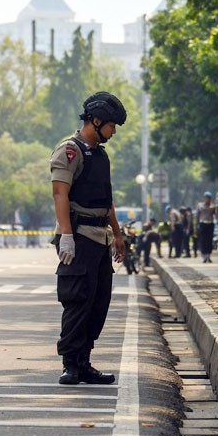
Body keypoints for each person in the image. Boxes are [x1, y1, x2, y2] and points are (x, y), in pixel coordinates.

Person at [50, 91, 127, 385]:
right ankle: (70, 363)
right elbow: (60, 193)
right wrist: (66, 235)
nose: (113, 132)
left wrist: (117, 235)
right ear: (96, 121)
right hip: (78, 236)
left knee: (98, 303)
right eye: (111, 126)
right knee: (78, 300)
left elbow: (106, 200)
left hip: (100, 237)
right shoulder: (70, 151)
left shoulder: (100, 154)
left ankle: (84, 361)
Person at [196, 192, 215, 263]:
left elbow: (215, 214)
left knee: (209, 240)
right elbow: (197, 216)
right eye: (206, 198)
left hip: (210, 224)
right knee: (203, 240)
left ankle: (208, 256)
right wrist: (197, 225)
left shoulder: (213, 206)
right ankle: (204, 256)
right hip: (203, 224)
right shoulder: (200, 206)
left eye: (209, 198)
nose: (207, 199)